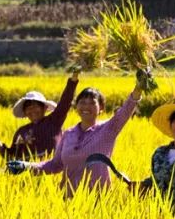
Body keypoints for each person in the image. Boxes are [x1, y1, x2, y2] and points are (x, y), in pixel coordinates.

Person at [12, 71, 146, 194]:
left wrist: (138, 89)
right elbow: (55, 165)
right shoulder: (68, 134)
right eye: (82, 102)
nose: (86, 106)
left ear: (101, 108)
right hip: (68, 200)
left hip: (99, 201)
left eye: (92, 103)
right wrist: (26, 165)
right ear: (77, 107)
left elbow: (125, 111)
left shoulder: (108, 130)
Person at [0, 73, 79, 159]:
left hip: (50, 171)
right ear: (25, 112)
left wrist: (73, 81)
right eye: (28, 108)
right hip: (27, 173)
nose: (32, 110)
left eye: (36, 107)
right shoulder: (21, 131)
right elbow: (12, 157)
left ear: (45, 108)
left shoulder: (53, 121)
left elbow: (65, 102)